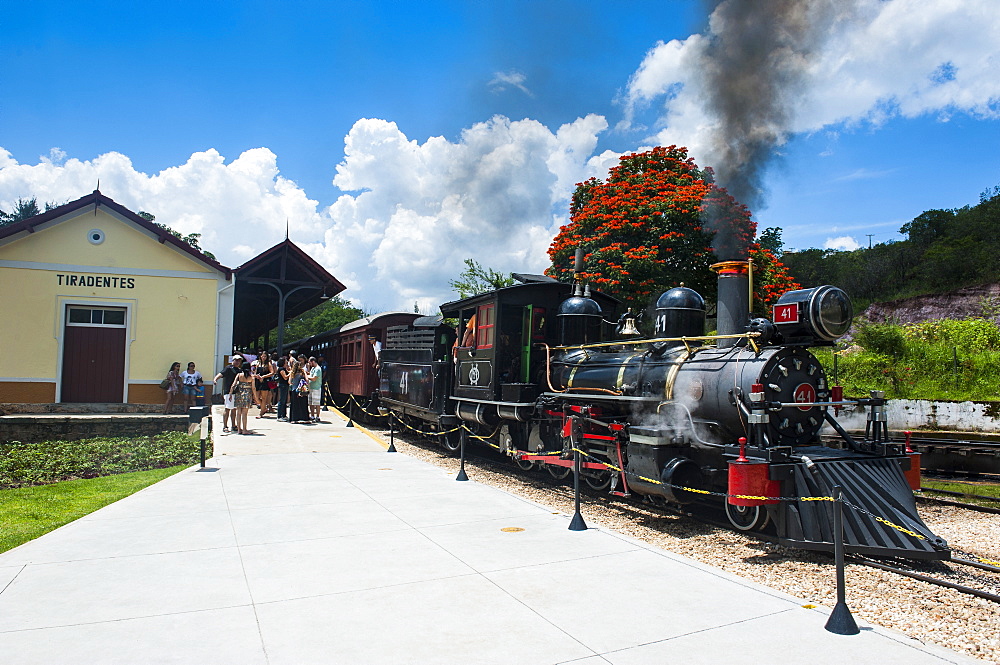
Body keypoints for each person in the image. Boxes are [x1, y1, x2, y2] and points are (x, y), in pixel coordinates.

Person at [213, 355, 244, 433]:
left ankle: (234, 425)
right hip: (228, 392)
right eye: (236, 360)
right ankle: (225, 426)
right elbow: (221, 374)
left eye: (239, 361)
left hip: (237, 392)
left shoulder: (240, 370)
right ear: (233, 360)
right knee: (227, 409)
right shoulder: (228, 368)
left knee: (234, 409)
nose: (237, 362)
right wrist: (215, 379)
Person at [229, 365, 254, 435]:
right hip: (247, 394)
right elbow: (253, 388)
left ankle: (239, 429)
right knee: (244, 413)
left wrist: (230, 393)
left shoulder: (239, 375)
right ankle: (245, 429)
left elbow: (233, 385)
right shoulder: (251, 377)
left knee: (238, 412)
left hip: (239, 394)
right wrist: (256, 397)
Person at [253, 351, 275, 418]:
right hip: (258, 381)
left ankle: (261, 413)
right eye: (262, 356)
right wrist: (256, 376)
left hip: (265, 381)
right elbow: (255, 372)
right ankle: (264, 407)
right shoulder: (258, 363)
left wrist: (263, 377)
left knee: (264, 397)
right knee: (256, 397)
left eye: (265, 356)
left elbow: (272, 372)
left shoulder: (268, 364)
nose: (263, 357)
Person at [288, 357, 310, 424]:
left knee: (294, 405)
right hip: (302, 390)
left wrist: (294, 384)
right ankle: (304, 418)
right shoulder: (303, 372)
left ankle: (294, 419)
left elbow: (289, 381)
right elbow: (307, 380)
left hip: (295, 390)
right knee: (303, 404)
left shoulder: (292, 372)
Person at [307, 356, 323, 422]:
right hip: (311, 387)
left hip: (316, 388)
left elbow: (314, 378)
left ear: (313, 362)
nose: (309, 364)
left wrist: (306, 377)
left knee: (316, 403)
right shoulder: (313, 368)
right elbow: (310, 375)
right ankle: (312, 415)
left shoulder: (318, 369)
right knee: (311, 403)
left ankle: (318, 416)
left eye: (310, 363)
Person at [275, 355, 290, 421]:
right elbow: (285, 377)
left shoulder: (285, 369)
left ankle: (284, 415)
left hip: (285, 385)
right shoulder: (281, 369)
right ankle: (279, 416)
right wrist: (291, 373)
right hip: (282, 385)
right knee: (282, 400)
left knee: (285, 401)